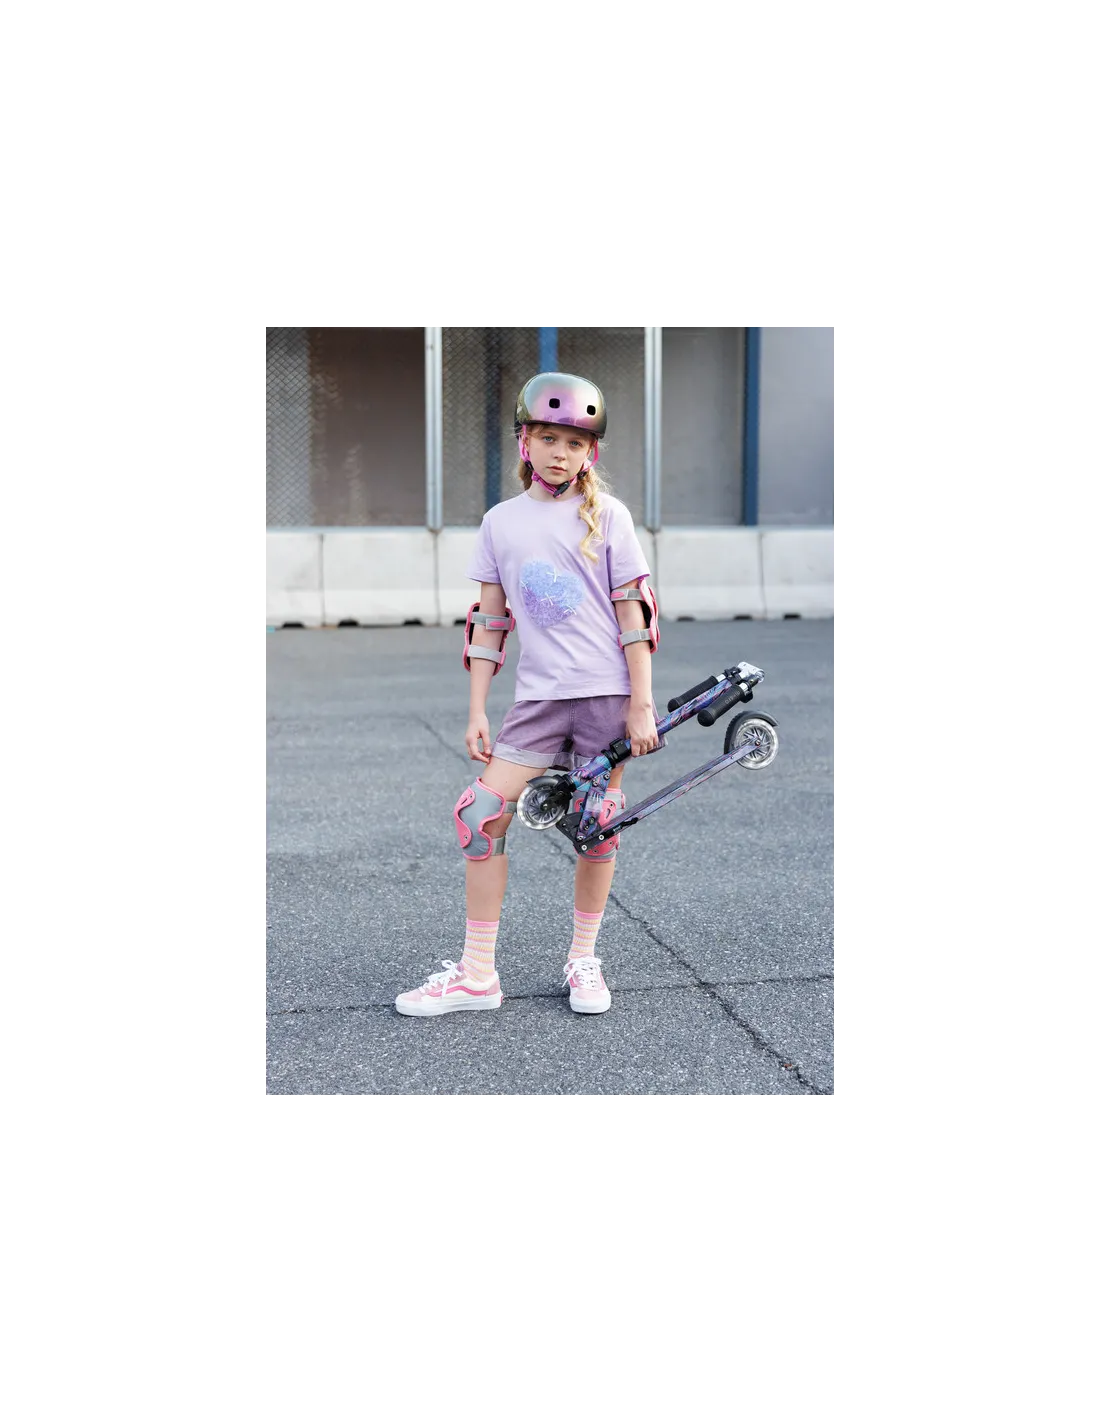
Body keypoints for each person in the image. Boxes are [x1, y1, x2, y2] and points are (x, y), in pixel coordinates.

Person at [395, 371, 663, 1018]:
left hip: (605, 697)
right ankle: (477, 976)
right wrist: (477, 708)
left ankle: (583, 959)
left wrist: (641, 703)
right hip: (538, 702)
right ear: (524, 441)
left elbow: (635, 615)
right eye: (548, 438)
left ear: (590, 452)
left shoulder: (609, 516)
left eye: (575, 443)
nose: (560, 453)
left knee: (596, 827)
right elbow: (490, 622)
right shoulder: (500, 523)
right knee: (479, 814)